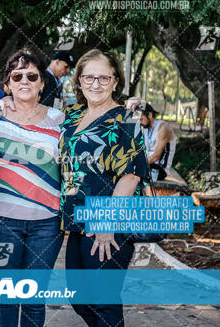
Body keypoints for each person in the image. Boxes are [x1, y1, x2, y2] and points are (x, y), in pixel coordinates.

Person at [59, 49, 149, 327]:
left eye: (103, 78)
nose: (95, 84)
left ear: (115, 81)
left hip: (108, 223)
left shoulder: (125, 119)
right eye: (88, 77)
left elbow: (132, 175)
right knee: (79, 297)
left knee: (103, 301)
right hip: (78, 222)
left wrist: (108, 222)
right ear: (79, 81)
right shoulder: (72, 116)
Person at [0, 51, 64, 327]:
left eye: (32, 76)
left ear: (42, 83)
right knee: (6, 296)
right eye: (17, 76)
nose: (25, 81)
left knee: (34, 298)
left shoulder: (59, 119)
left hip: (47, 223)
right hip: (1, 219)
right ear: (7, 83)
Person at [140, 103, 176, 181]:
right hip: (149, 165)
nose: (140, 122)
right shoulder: (144, 128)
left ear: (149, 115)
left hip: (159, 169)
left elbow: (156, 156)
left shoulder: (163, 128)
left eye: (141, 119)